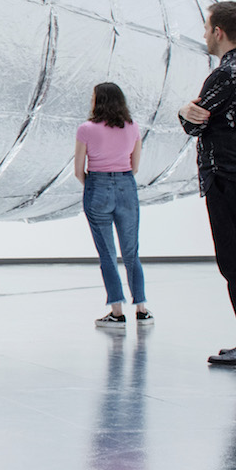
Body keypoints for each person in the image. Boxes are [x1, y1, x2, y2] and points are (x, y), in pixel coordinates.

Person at [179, 2, 236, 367]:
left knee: (235, 262)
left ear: (218, 31)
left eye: (206, 28)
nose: (204, 34)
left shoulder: (226, 73)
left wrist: (183, 112)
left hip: (228, 175)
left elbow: (195, 122)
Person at [75, 82, 150, 330]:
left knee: (107, 253)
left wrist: (95, 185)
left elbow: (78, 171)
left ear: (99, 101)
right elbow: (135, 166)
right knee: (131, 252)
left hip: (97, 186)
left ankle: (116, 312)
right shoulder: (133, 127)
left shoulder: (86, 129)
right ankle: (141, 308)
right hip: (127, 187)